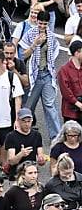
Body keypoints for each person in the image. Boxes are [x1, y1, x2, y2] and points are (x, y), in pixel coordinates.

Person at [20, 12, 63, 141]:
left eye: (45, 23)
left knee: (50, 106)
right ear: (37, 21)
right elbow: (23, 55)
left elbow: (54, 53)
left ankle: (56, 137)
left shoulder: (51, 36)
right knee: (29, 107)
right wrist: (35, 44)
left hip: (47, 74)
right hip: (34, 75)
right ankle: (22, 135)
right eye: (41, 23)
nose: (43, 26)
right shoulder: (30, 34)